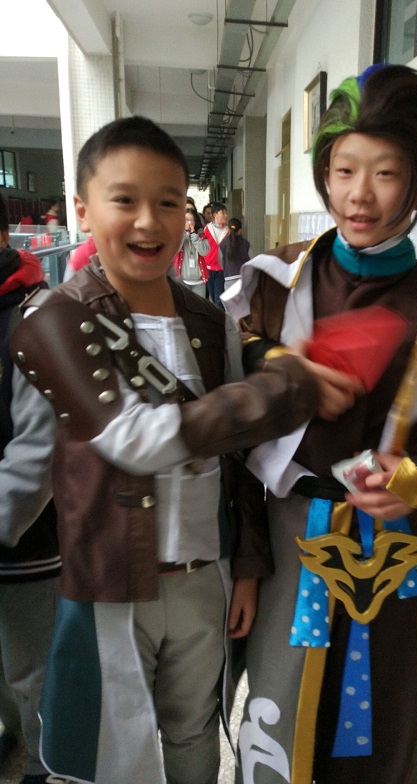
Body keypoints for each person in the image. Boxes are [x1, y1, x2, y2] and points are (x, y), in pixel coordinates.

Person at [9, 115, 357, 784]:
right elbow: (134, 439)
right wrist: (286, 388)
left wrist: (247, 563)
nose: (149, 221)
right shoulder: (53, 320)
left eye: (169, 202)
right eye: (125, 199)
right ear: (82, 209)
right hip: (113, 583)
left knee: (195, 731)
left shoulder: (209, 320)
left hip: (207, 575)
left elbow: (239, 459)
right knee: (117, 751)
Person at [222, 64, 417, 784]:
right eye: (343, 170)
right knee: (278, 701)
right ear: (323, 173)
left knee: (374, 717)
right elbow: (229, 391)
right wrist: (279, 366)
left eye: (386, 173)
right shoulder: (274, 283)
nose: (358, 194)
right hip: (286, 533)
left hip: (391, 551)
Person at [0, 192, 65, 784]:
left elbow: (37, 453)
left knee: (32, 673)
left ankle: (46, 767)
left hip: (26, 544)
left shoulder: (32, 320)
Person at [173, 206, 209, 297]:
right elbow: (175, 249)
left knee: (199, 304)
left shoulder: (201, 234)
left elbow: (204, 251)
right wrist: (184, 233)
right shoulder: (177, 234)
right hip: (182, 280)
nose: (189, 223)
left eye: (192, 220)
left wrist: (194, 236)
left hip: (199, 280)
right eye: (186, 220)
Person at [203, 202, 229, 308]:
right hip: (208, 267)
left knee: (219, 298)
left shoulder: (228, 231)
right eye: (223, 213)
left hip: (222, 268)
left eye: (226, 213)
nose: (226, 215)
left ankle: (220, 316)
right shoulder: (207, 229)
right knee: (213, 296)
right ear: (215, 215)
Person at [218, 218, 251, 291]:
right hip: (243, 279)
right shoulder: (245, 243)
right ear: (240, 230)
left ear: (228, 229)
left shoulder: (223, 243)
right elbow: (252, 260)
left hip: (229, 279)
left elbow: (220, 261)